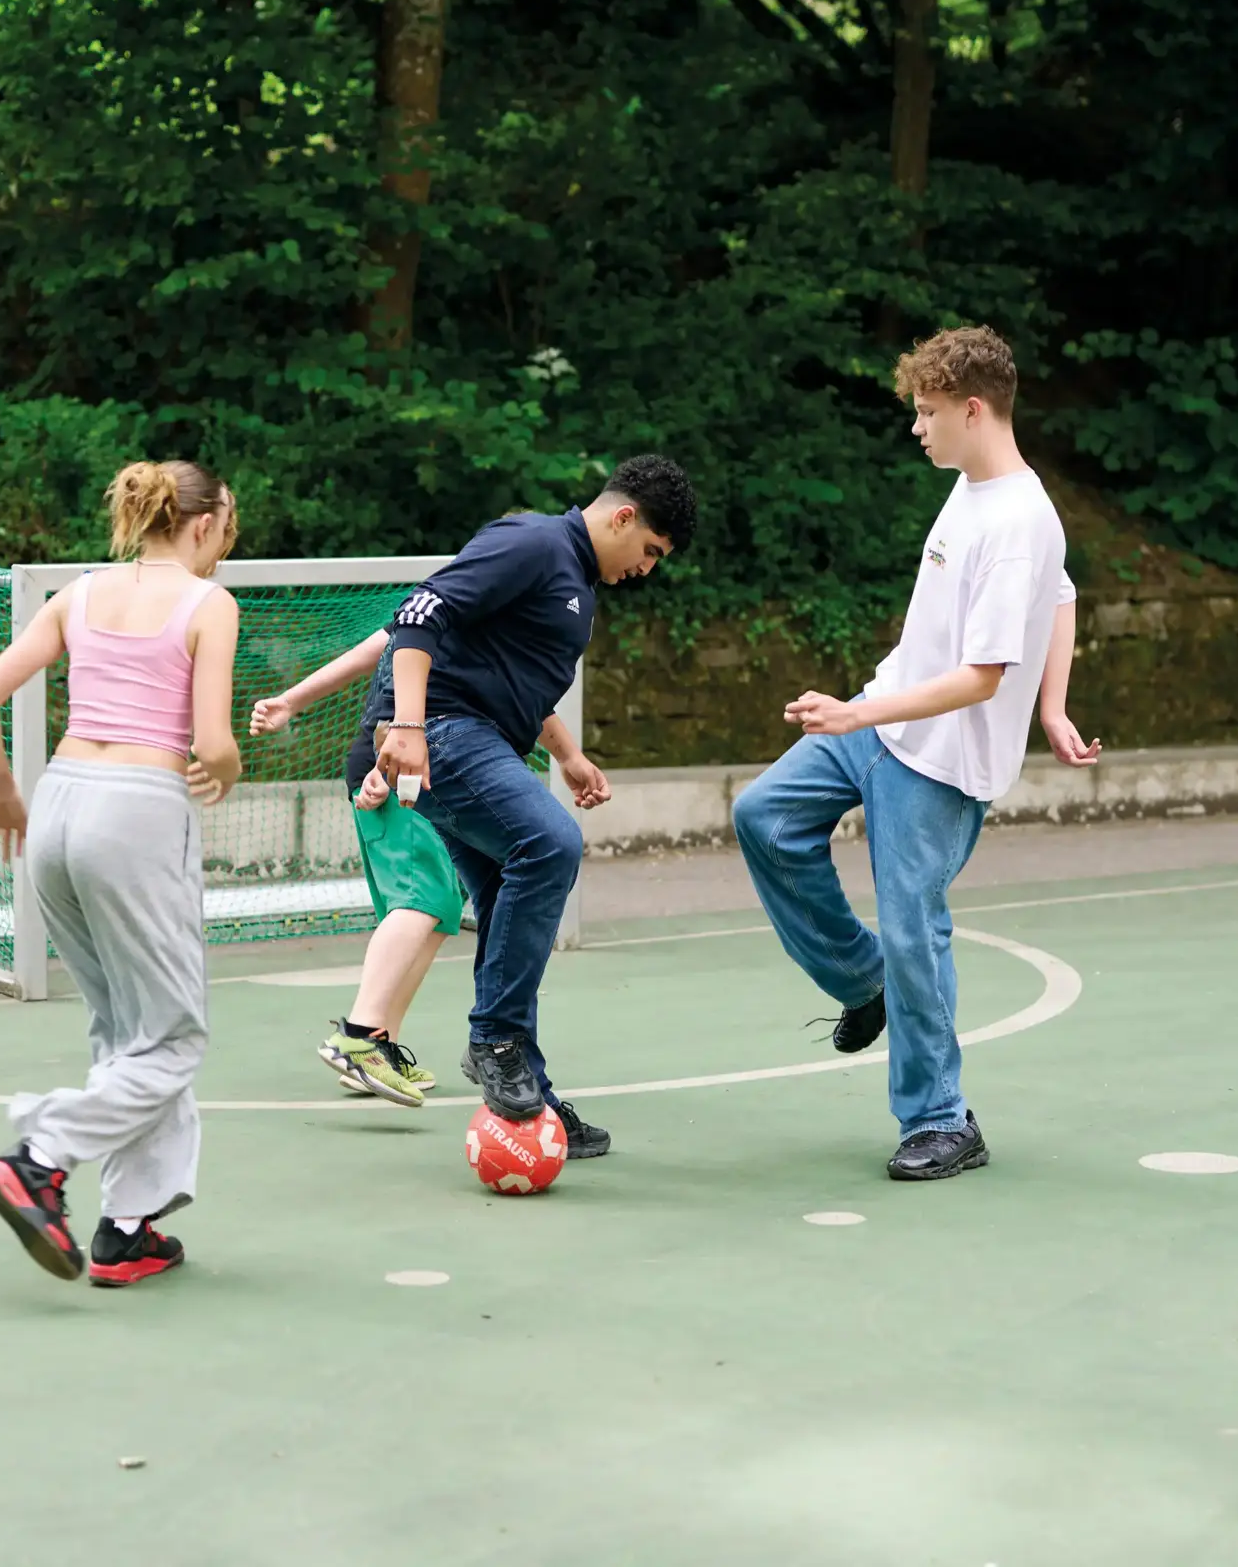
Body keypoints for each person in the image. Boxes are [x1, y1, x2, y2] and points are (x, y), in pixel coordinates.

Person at [731, 326, 1100, 1183]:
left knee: (913, 926)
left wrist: (859, 716)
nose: (917, 427)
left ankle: (943, 1118)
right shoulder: (973, 487)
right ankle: (866, 984)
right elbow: (1066, 595)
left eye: (928, 412)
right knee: (765, 816)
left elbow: (978, 677)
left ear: (974, 410)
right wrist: (1054, 705)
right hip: (885, 720)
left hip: (939, 761)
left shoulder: (1015, 521)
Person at [0, 460, 242, 1287]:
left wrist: (5, 792)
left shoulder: (78, 595)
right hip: (138, 813)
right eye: (227, 528)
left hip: (58, 805)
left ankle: (129, 1228)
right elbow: (212, 742)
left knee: (128, 1030)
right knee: (174, 1036)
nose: (226, 546)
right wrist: (226, 764)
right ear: (200, 524)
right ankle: (40, 1160)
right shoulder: (208, 603)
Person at [375, 456, 700, 1156]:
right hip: (441, 729)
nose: (647, 569)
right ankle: (493, 1041)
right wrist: (405, 727)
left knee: (505, 902)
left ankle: (533, 1106)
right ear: (623, 517)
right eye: (650, 551)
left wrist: (569, 754)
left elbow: (517, 681)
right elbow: (418, 612)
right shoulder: (533, 542)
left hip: (480, 734)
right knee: (550, 843)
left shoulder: (575, 577)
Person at [250, 633, 601, 1107]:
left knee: (439, 909)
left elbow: (519, 698)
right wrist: (295, 705)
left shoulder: (480, 617)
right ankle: (357, 1037)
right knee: (425, 899)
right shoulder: (447, 609)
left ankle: (380, 1043)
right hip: (403, 768)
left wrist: (570, 756)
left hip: (413, 767)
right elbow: (371, 666)